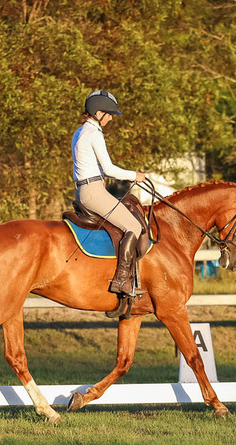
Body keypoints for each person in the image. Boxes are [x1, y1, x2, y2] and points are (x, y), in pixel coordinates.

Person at [72, 90, 146, 296]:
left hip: (83, 190)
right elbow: (109, 169)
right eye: (109, 113)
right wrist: (135, 176)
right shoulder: (93, 134)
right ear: (98, 113)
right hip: (94, 191)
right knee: (134, 225)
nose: (111, 118)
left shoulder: (79, 132)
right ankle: (121, 279)